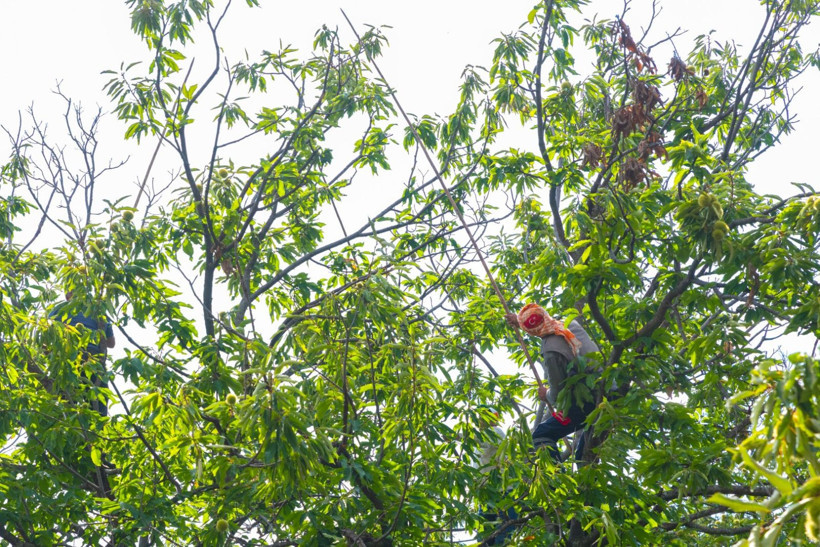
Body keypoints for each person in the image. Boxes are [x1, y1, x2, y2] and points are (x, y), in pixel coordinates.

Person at [505, 304, 599, 462]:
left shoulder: (551, 352)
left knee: (542, 435)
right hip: (608, 389)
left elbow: (558, 393)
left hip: (587, 402)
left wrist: (546, 394)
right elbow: (544, 324)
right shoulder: (568, 324)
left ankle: (555, 477)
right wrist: (520, 321)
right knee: (584, 455)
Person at [50, 292, 116, 416]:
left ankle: (68, 422)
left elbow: (47, 335)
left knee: (66, 404)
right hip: (93, 359)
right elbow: (111, 343)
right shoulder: (98, 310)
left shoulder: (59, 309)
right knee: (99, 405)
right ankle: (98, 425)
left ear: (67, 296)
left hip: (67, 359)